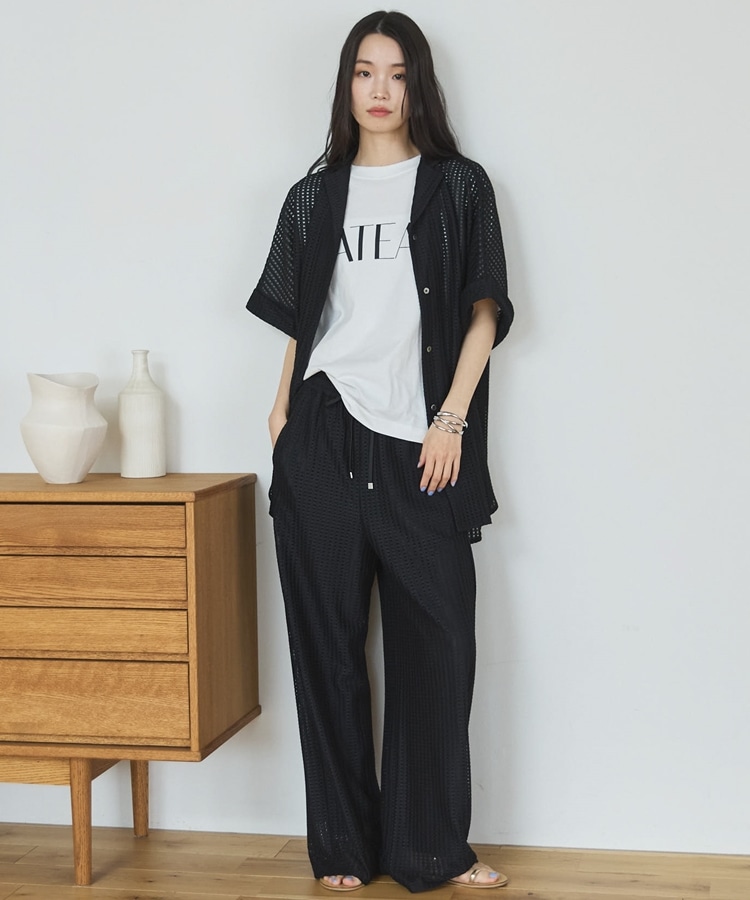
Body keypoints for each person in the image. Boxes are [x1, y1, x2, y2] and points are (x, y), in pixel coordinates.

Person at [247, 10, 513, 893]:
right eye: (365, 72)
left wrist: (452, 420)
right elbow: (303, 319)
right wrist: (282, 416)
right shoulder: (313, 196)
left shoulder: (458, 187)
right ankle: (344, 851)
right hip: (323, 434)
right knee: (326, 649)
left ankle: (431, 849)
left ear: (418, 86)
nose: (380, 91)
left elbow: (482, 314)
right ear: (346, 83)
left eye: (397, 74)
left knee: (438, 645)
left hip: (421, 444)